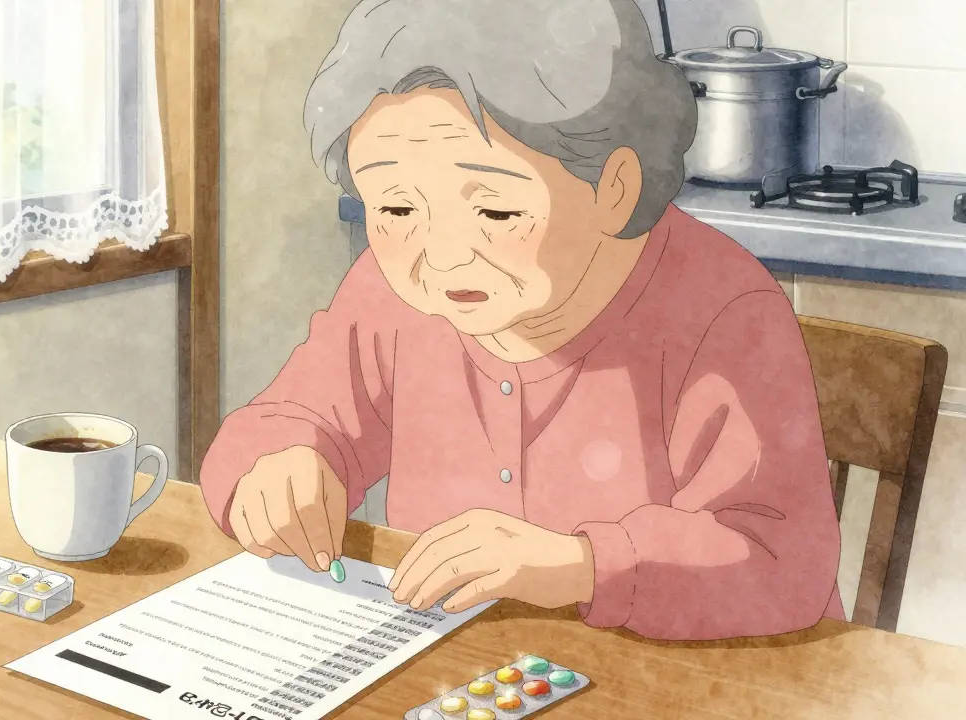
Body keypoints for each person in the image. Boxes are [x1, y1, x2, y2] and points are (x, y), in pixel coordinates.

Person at [199, 0, 845, 641]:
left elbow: (780, 564)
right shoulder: (392, 295)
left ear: (615, 188)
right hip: (465, 679)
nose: (444, 255)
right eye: (396, 210)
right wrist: (279, 465)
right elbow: (286, 421)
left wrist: (580, 567)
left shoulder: (721, 311)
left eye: (497, 213)